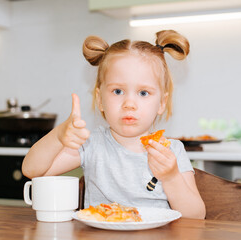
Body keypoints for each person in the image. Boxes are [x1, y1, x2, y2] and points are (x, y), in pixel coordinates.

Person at [22, 30, 206, 219]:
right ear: (100, 99)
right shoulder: (92, 145)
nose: (129, 104)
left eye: (143, 93)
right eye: (118, 91)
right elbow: (32, 170)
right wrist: (59, 135)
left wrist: (171, 176)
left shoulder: (172, 151)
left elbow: (196, 216)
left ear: (161, 103)